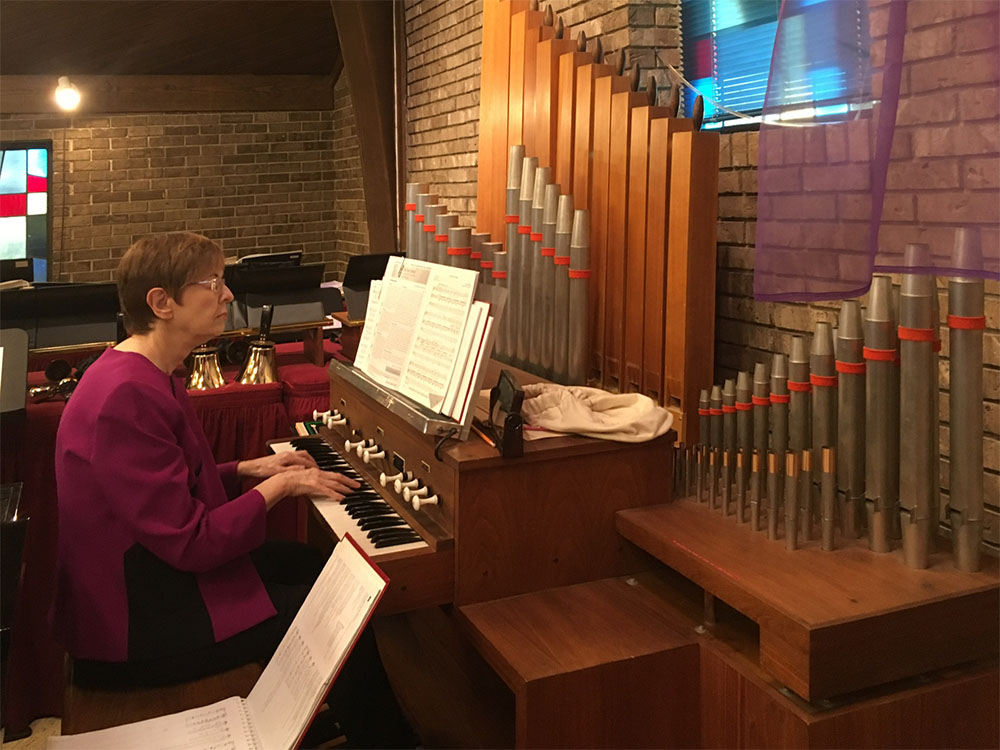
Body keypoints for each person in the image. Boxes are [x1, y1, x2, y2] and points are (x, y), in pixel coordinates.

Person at [54, 232, 415, 747]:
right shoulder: (124, 395)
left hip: (153, 575)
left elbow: (165, 488)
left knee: (311, 567)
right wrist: (285, 483)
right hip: (133, 623)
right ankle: (386, 740)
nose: (227, 295)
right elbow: (192, 541)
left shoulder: (145, 371)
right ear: (162, 303)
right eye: (213, 283)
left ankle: (322, 716)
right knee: (331, 621)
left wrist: (248, 469)